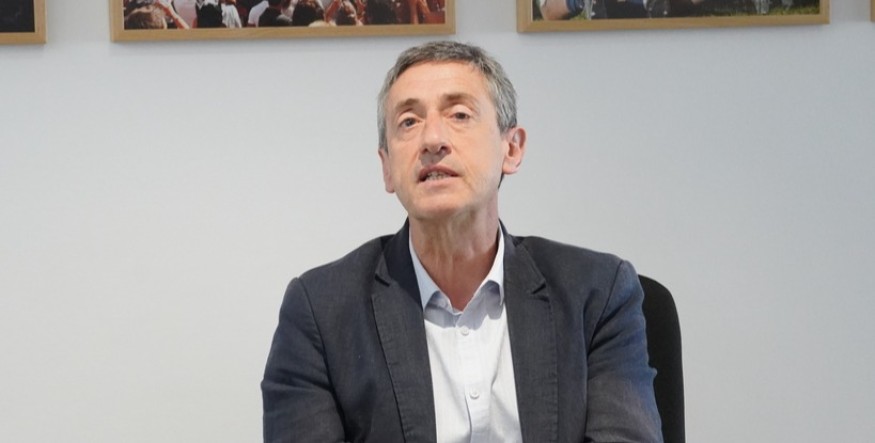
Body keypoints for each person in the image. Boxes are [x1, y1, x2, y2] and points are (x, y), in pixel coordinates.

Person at [261, 41, 662, 442]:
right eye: (408, 122)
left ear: (511, 148)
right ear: (387, 168)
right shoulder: (320, 311)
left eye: (459, 114)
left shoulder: (597, 293)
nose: (433, 139)